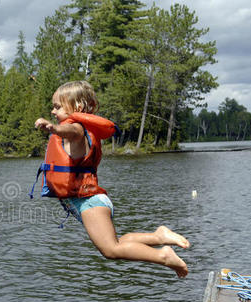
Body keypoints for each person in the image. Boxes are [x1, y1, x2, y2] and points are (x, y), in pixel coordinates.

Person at [34, 80, 190, 278]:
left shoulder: (76, 130)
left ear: (78, 107)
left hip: (88, 201)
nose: (53, 111)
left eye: (57, 106)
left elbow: (70, 132)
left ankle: (164, 256)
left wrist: (53, 128)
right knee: (120, 243)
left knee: (111, 250)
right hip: (90, 201)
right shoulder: (82, 129)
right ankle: (159, 236)